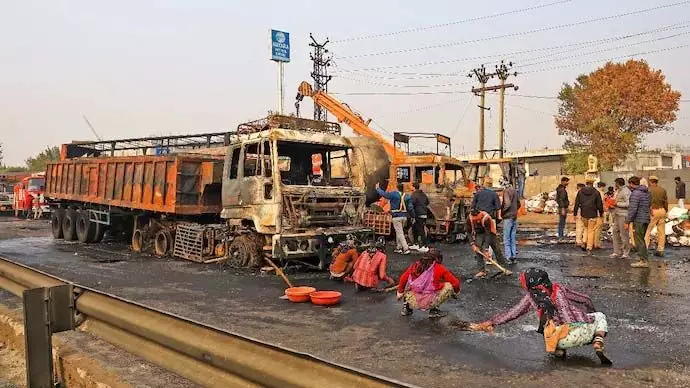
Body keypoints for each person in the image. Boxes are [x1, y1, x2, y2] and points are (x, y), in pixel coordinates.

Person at [471, 268, 611, 364]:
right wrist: (588, 316)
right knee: (599, 316)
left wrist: (491, 322)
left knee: (549, 326)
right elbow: (585, 299)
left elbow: (513, 313)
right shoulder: (559, 288)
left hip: (559, 339)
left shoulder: (532, 297)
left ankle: (559, 350)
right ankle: (598, 341)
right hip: (584, 332)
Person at [397, 249, 460, 318]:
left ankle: (406, 308)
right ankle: (434, 310)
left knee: (409, 284)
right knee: (448, 286)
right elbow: (456, 283)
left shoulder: (415, 265)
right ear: (438, 258)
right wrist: (455, 292)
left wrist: (400, 292)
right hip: (430, 301)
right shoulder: (440, 268)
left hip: (414, 300)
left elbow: (403, 278)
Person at [469, 209, 511, 278]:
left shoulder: (486, 218)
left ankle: (503, 267)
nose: (475, 220)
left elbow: (488, 234)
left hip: (490, 233)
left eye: (477, 218)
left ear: (479, 214)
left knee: (497, 249)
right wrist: (472, 244)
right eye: (474, 219)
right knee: (478, 249)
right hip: (479, 233)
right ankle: (482, 270)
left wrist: (486, 249)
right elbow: (468, 231)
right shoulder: (470, 218)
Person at [376, 182, 413, 254]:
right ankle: (398, 247)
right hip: (404, 216)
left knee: (400, 233)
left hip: (396, 216)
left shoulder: (394, 194)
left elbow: (384, 194)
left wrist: (378, 188)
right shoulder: (407, 196)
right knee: (398, 232)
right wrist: (412, 216)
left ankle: (405, 248)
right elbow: (410, 208)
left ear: (396, 188)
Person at [625, 176, 651, 268]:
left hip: (639, 219)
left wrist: (627, 221)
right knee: (642, 239)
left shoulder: (635, 194)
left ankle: (643, 260)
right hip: (646, 218)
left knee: (639, 240)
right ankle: (642, 258)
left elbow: (633, 209)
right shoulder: (647, 192)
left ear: (631, 183)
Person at [573, 178, 603, 256]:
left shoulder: (580, 192)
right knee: (591, 230)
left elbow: (577, 203)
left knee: (586, 228)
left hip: (583, 213)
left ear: (586, 183)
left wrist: (575, 213)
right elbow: (599, 204)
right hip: (593, 214)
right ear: (593, 184)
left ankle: (584, 241)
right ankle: (589, 247)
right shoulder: (596, 192)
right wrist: (601, 213)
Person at [645, 176, 668, 257]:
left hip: (652, 211)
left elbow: (647, 202)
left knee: (647, 230)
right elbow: (665, 201)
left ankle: (645, 249)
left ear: (650, 181)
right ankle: (660, 249)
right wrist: (665, 210)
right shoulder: (662, 189)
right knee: (661, 231)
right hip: (662, 210)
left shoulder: (648, 190)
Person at [610, 178, 631, 259]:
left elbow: (628, 203)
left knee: (624, 234)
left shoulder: (626, 191)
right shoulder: (618, 191)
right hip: (616, 214)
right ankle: (616, 251)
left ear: (618, 183)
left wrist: (617, 203)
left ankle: (626, 252)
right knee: (615, 232)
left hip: (623, 214)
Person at [502, 182, 521, 263]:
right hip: (514, 216)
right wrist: (514, 210)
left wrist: (503, 211)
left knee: (506, 238)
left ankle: (509, 257)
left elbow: (508, 204)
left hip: (508, 217)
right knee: (512, 238)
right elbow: (519, 204)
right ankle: (513, 256)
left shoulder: (506, 191)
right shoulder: (515, 191)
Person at [410, 182, 430, 253]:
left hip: (418, 214)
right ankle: (416, 244)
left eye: (411, 187)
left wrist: (411, 213)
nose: (410, 188)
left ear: (414, 187)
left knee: (421, 230)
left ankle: (425, 246)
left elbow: (411, 204)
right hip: (424, 213)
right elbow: (427, 202)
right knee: (414, 228)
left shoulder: (414, 195)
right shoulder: (423, 194)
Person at [593, 182, 607, 249]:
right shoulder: (601, 193)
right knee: (598, 228)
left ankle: (592, 242)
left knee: (594, 228)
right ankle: (596, 243)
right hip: (599, 213)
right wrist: (602, 212)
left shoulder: (594, 192)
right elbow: (601, 204)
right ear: (602, 186)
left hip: (593, 212)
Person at [574, 183, 586, 248]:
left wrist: (574, 214)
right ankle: (584, 240)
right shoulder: (584, 193)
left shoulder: (576, 193)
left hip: (579, 210)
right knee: (585, 226)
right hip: (585, 211)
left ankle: (578, 240)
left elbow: (575, 204)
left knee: (579, 226)